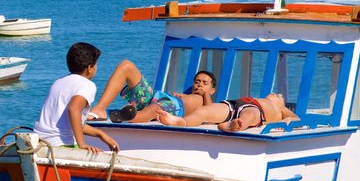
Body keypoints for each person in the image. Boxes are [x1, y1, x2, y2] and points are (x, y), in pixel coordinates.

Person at [34, 42, 120, 154]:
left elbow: (71, 122)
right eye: (96, 65)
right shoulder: (87, 85)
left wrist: (100, 134)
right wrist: (82, 144)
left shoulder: (59, 82)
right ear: (90, 68)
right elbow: (73, 110)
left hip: (39, 143)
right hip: (60, 145)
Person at [87, 59, 216, 123]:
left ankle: (130, 116)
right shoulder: (188, 95)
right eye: (197, 82)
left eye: (205, 83)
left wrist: (205, 94)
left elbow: (211, 112)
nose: (199, 85)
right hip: (157, 95)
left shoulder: (207, 103)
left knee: (155, 110)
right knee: (126, 66)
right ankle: (100, 108)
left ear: (212, 90)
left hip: (174, 106)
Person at [156, 93, 298, 132]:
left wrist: (286, 121)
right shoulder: (260, 98)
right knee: (204, 111)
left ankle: (234, 125)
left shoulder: (279, 109)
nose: (274, 93)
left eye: (279, 96)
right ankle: (182, 121)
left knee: (249, 116)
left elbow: (295, 117)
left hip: (256, 110)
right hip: (236, 104)